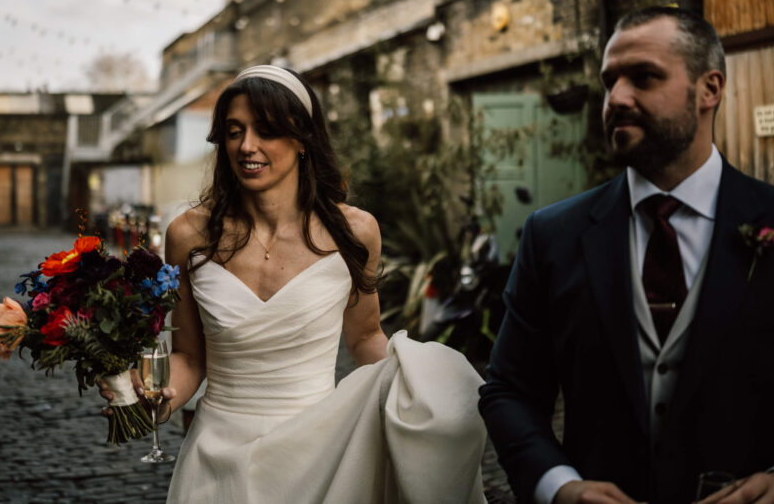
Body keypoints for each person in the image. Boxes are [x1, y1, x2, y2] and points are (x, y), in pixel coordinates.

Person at [478, 6, 774, 504]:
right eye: (609, 80)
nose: (615, 98)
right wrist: (559, 487)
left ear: (710, 89)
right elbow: (508, 389)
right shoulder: (554, 236)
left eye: (642, 77)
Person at [102, 64, 488, 503]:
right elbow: (191, 356)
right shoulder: (188, 235)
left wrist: (419, 384)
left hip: (320, 455)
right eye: (234, 131)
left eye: (266, 131)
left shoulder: (356, 232)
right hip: (216, 457)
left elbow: (364, 337)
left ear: (303, 139)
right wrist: (159, 401)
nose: (247, 146)